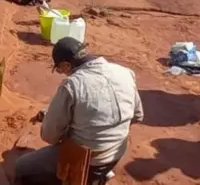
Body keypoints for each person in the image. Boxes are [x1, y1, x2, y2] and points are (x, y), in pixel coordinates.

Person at [14, 37, 144, 185]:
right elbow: (137, 115)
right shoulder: (125, 72)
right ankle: (101, 174)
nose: (62, 73)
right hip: (116, 153)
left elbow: (49, 136)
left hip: (86, 161)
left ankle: (81, 178)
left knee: (22, 167)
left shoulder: (72, 85)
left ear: (66, 65)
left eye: (59, 69)